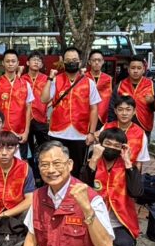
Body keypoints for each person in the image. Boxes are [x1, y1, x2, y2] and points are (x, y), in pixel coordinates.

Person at [40, 47, 100, 177]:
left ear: (80, 61)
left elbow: (94, 108)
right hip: (57, 132)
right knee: (56, 167)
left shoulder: (89, 82)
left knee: (76, 169)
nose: (71, 62)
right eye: (68, 60)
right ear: (63, 62)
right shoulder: (56, 80)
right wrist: (50, 79)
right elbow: (44, 99)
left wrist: (91, 133)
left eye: (74, 59)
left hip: (80, 133)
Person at [80, 129, 142, 246]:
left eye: (117, 146)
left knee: (125, 245)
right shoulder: (92, 163)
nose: (112, 148)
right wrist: (94, 158)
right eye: (107, 143)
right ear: (100, 144)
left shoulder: (127, 167)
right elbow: (83, 188)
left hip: (118, 222)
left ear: (122, 148)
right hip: (94, 219)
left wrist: (127, 161)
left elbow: (136, 192)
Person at [0, 49, 33, 158]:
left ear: (18, 63)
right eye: (7, 61)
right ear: (3, 63)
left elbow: (28, 109)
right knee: (2, 159)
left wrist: (26, 132)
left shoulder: (25, 84)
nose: (10, 64)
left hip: (20, 131)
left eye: (13, 61)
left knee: (21, 161)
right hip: (1, 131)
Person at [102, 96, 150, 172]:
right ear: (115, 111)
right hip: (104, 172)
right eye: (120, 109)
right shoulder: (106, 127)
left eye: (128, 110)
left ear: (134, 111)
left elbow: (139, 162)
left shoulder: (140, 133)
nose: (124, 113)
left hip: (127, 173)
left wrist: (135, 177)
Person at [22, 51, 49, 181]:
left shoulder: (46, 79)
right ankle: (31, 177)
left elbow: (52, 96)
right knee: (27, 150)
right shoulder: (22, 79)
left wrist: (46, 107)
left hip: (41, 117)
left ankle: (43, 175)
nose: (36, 62)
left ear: (42, 64)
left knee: (45, 148)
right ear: (27, 62)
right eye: (34, 59)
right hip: (25, 118)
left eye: (39, 60)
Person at [115, 55, 155, 137]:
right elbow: (112, 106)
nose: (135, 71)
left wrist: (152, 101)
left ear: (143, 70)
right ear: (128, 69)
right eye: (133, 68)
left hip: (144, 125)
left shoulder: (152, 86)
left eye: (139, 68)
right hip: (122, 126)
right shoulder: (119, 86)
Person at [86, 51, 113, 128]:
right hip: (87, 115)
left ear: (103, 62)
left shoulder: (109, 79)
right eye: (94, 60)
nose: (97, 62)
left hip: (104, 117)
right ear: (89, 62)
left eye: (99, 60)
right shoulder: (83, 77)